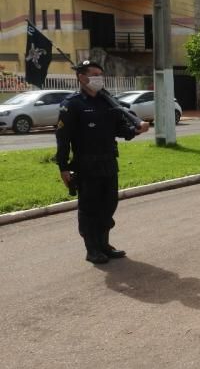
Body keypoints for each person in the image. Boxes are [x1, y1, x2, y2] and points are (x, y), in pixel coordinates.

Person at [55, 60, 150, 264]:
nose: (99, 78)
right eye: (94, 74)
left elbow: (120, 129)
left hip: (108, 163)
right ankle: (92, 249)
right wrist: (63, 166)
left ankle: (104, 244)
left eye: (100, 74)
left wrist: (136, 130)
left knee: (108, 205)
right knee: (89, 208)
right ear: (82, 77)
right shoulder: (72, 104)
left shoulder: (108, 102)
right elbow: (63, 139)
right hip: (86, 165)